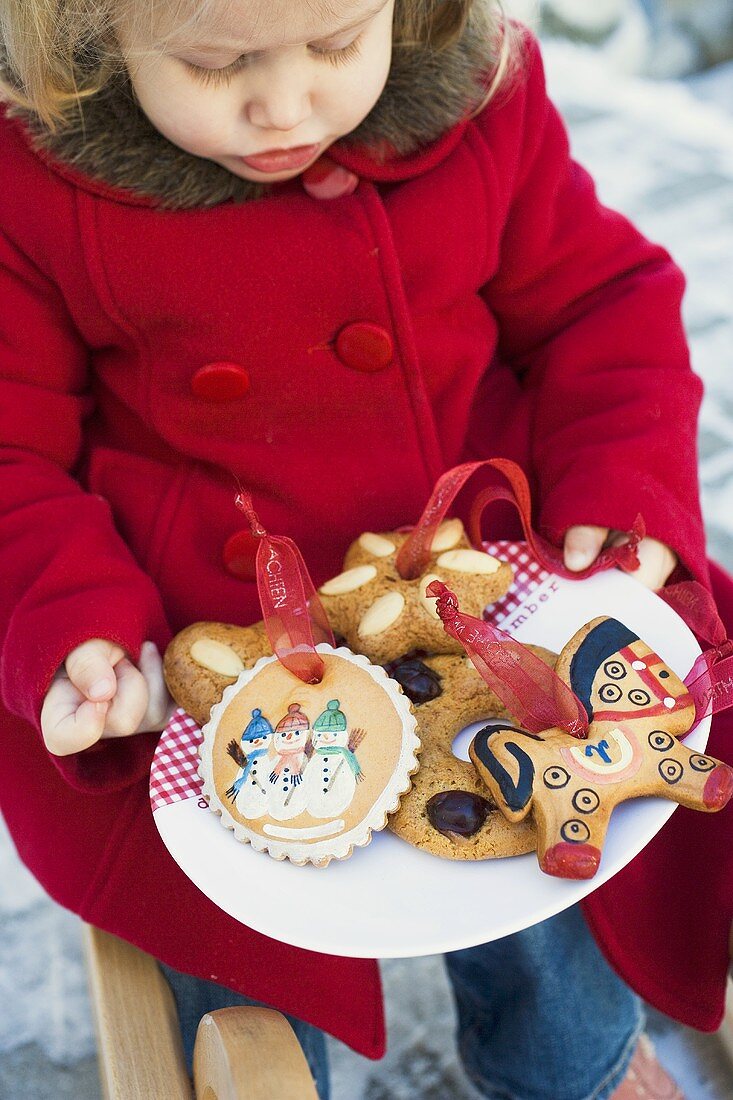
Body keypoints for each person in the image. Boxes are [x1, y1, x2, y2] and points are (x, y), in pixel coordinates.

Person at [0, 1, 729, 1097]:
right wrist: (76, 623)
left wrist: (619, 477)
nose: (286, 104)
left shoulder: (477, 110)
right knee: (229, 901)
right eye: (217, 62)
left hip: (490, 582)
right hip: (213, 628)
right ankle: (256, 1045)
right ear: (90, 34)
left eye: (338, 44)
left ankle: (573, 1058)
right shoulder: (37, 195)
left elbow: (596, 300)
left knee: (555, 845)